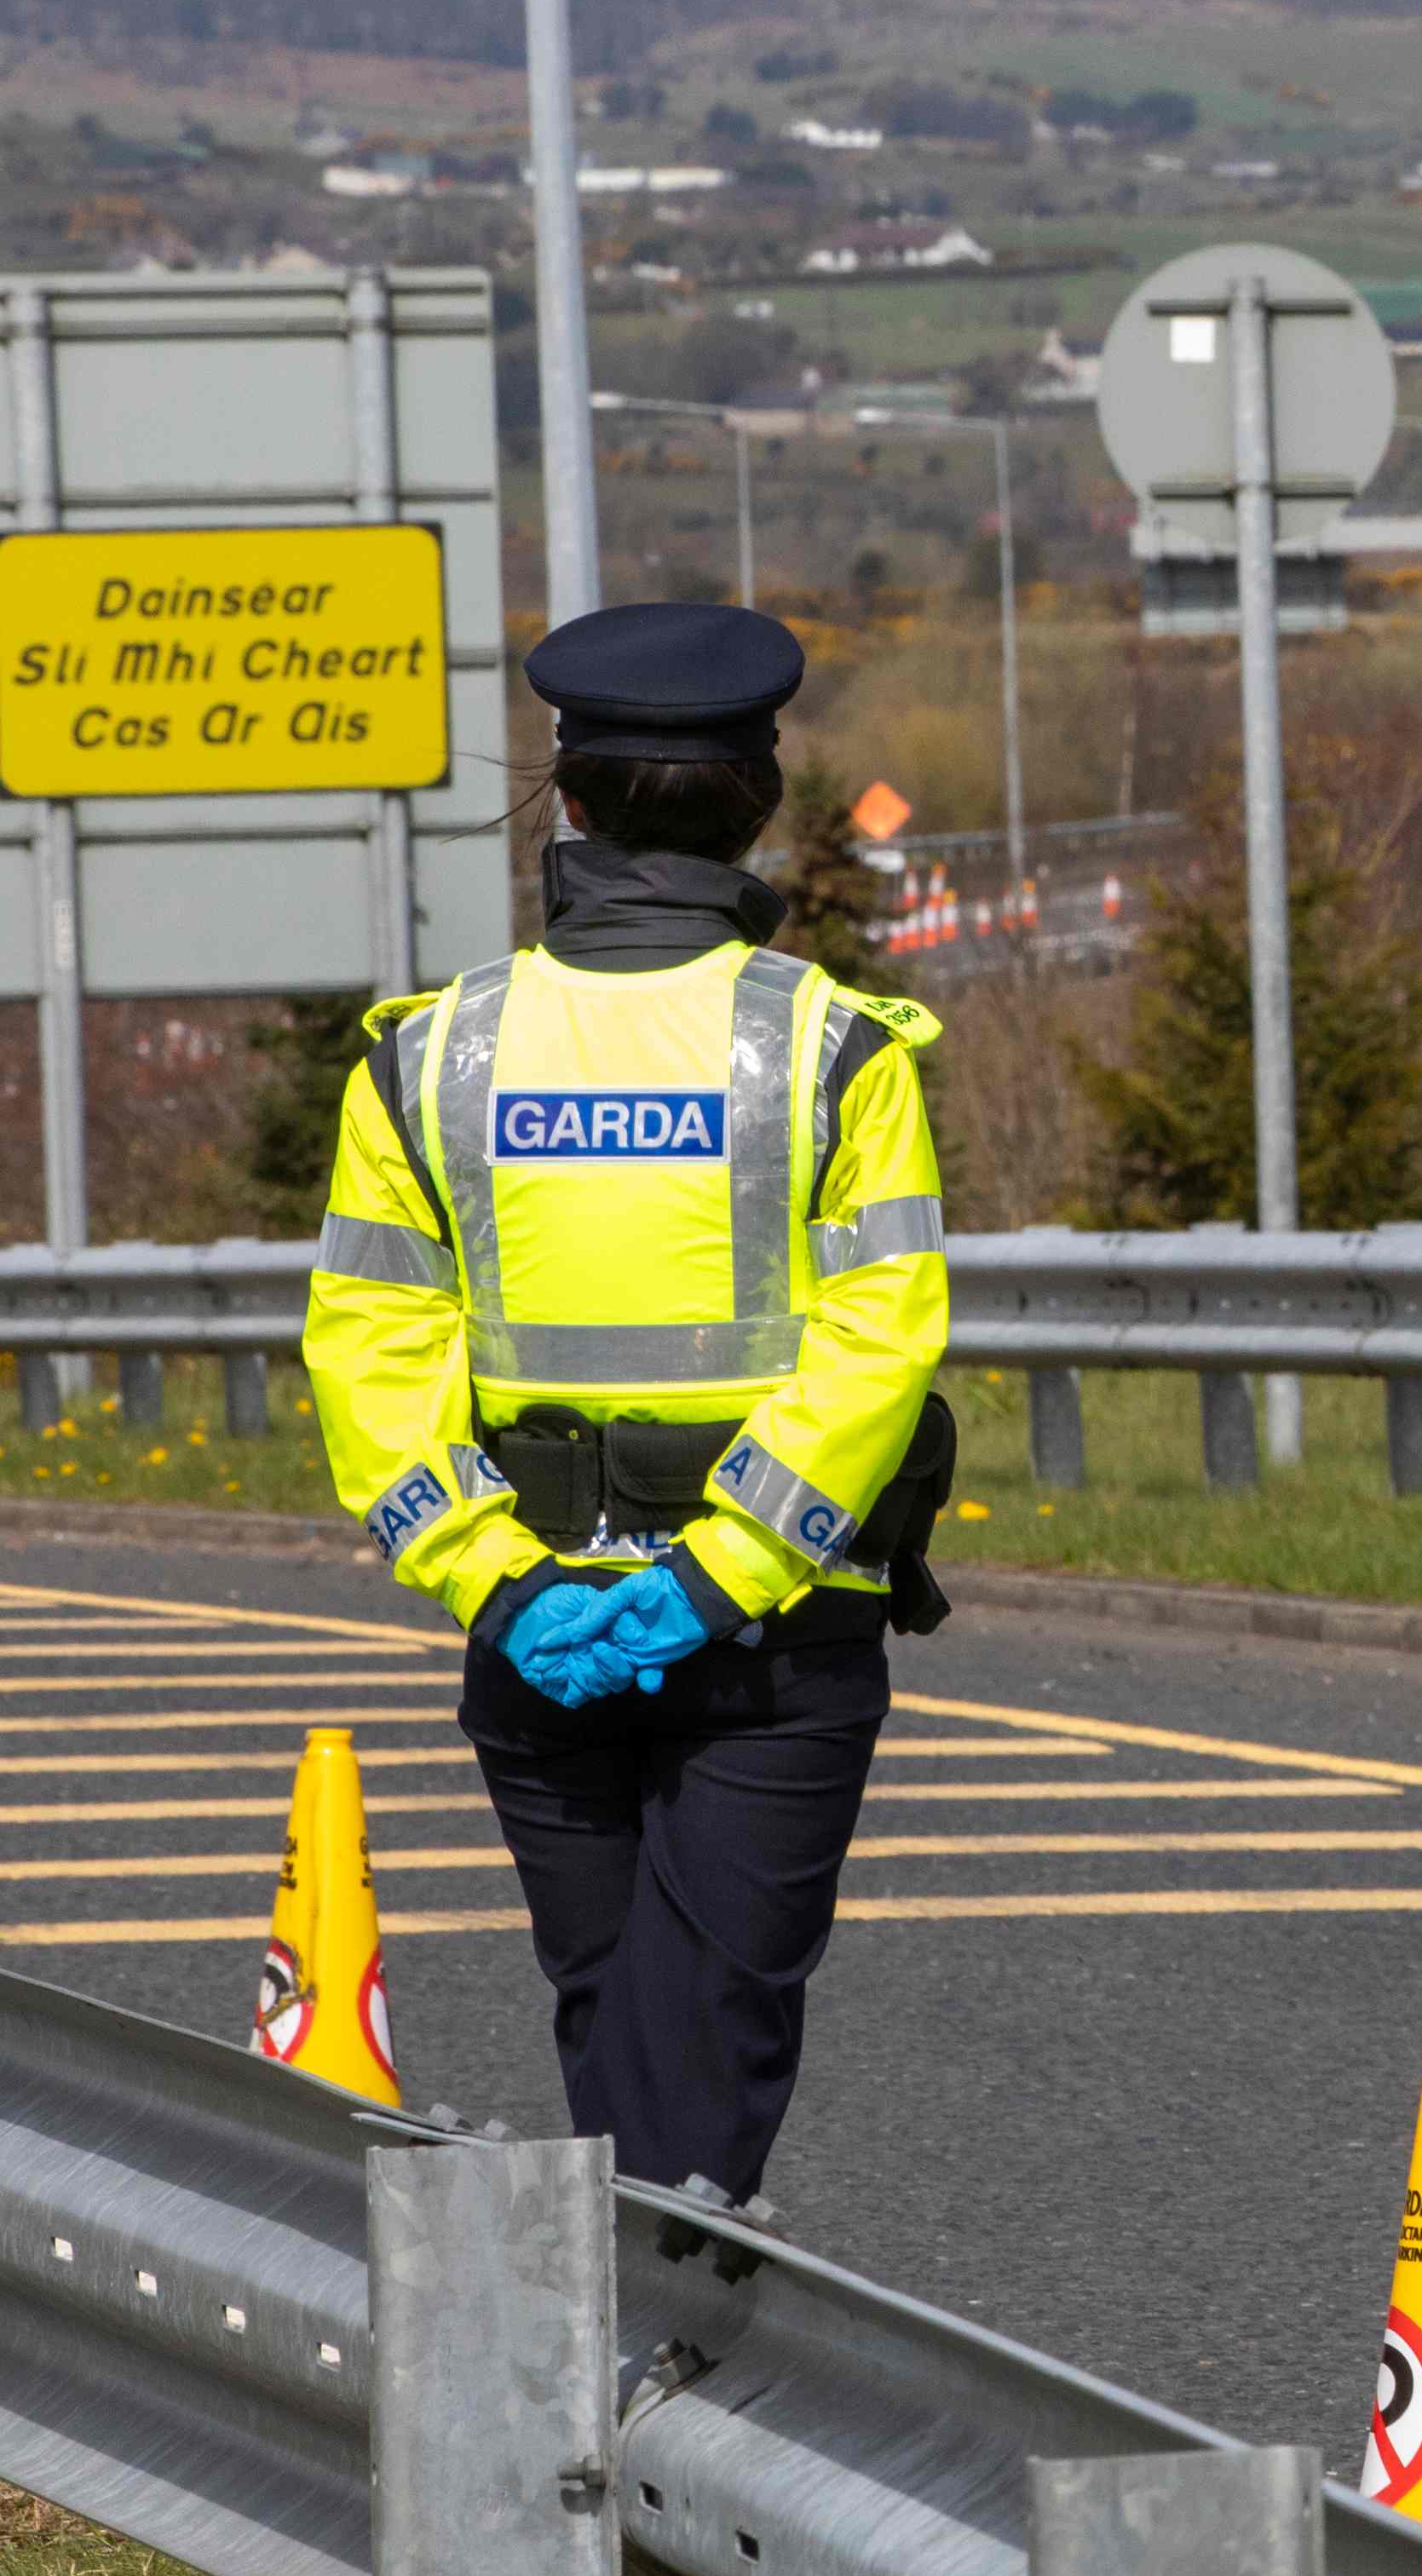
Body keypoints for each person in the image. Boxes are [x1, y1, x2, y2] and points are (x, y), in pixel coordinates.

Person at [302, 601, 959, 2211]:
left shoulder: (430, 1056)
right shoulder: (830, 1050)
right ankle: (659, 2381)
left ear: (569, 800)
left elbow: (370, 1347)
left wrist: (495, 1581)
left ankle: (611, 2376)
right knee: (700, 2034)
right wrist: (719, 1578)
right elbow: (883, 1337)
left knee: (619, 2024)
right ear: (761, 800)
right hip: (774, 1634)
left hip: (534, 1631)